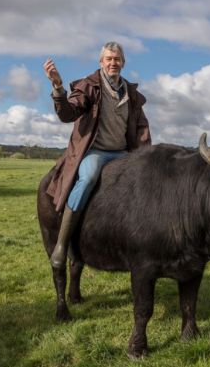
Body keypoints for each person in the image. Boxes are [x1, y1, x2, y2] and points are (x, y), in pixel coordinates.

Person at [43, 41, 151, 270]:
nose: (113, 63)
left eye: (117, 59)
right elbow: (67, 113)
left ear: (123, 62)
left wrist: (145, 157)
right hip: (96, 152)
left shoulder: (131, 93)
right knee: (88, 178)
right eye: (109, 59)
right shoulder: (89, 86)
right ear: (101, 62)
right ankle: (62, 245)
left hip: (123, 154)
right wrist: (58, 87)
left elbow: (141, 129)